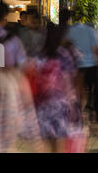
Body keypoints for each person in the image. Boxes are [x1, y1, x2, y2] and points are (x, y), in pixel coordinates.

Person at [29, 22, 84, 153]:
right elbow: (70, 80)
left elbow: (33, 80)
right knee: (60, 143)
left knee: (49, 142)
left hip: (43, 105)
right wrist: (75, 103)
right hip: (61, 104)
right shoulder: (64, 55)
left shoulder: (38, 56)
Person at [0, 3, 42, 153]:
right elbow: (25, 67)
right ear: (3, 18)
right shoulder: (12, 40)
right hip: (6, 88)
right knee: (5, 139)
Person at [67, 14, 98, 125]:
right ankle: (91, 109)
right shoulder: (90, 30)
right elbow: (95, 48)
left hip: (76, 65)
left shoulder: (70, 31)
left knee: (78, 90)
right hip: (90, 64)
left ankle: (79, 113)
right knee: (92, 89)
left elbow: (65, 46)